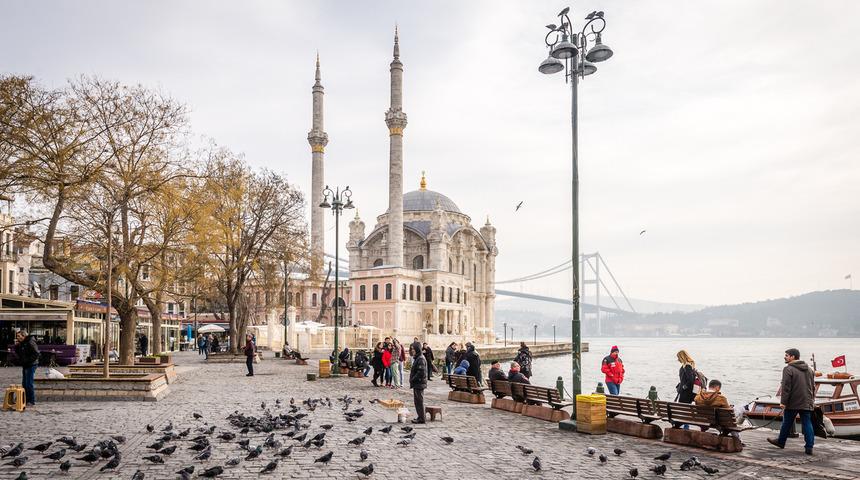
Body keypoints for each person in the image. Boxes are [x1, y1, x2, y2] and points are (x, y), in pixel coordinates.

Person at [768, 348, 815, 455]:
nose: (785, 357)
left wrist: (783, 402)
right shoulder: (809, 369)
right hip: (807, 401)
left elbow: (786, 387)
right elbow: (813, 387)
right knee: (807, 423)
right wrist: (812, 400)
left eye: (787, 355)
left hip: (793, 402)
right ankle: (809, 447)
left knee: (786, 422)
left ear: (793, 357)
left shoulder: (788, 369)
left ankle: (781, 442)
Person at [14, 330, 40, 407]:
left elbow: (36, 353)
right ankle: (25, 399)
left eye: (19, 336)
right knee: (24, 383)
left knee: (29, 383)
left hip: (31, 364)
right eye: (17, 336)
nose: (17, 338)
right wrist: (17, 346)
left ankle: (31, 401)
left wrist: (27, 361)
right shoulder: (22, 343)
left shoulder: (30, 342)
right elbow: (19, 354)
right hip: (25, 365)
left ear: (24, 336)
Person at [409, 342, 427, 424]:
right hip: (417, 383)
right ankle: (420, 417)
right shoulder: (417, 358)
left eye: (413, 349)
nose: (412, 350)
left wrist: (413, 379)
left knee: (419, 401)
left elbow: (421, 372)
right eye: (411, 349)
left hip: (419, 383)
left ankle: (421, 418)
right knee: (417, 401)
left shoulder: (420, 358)